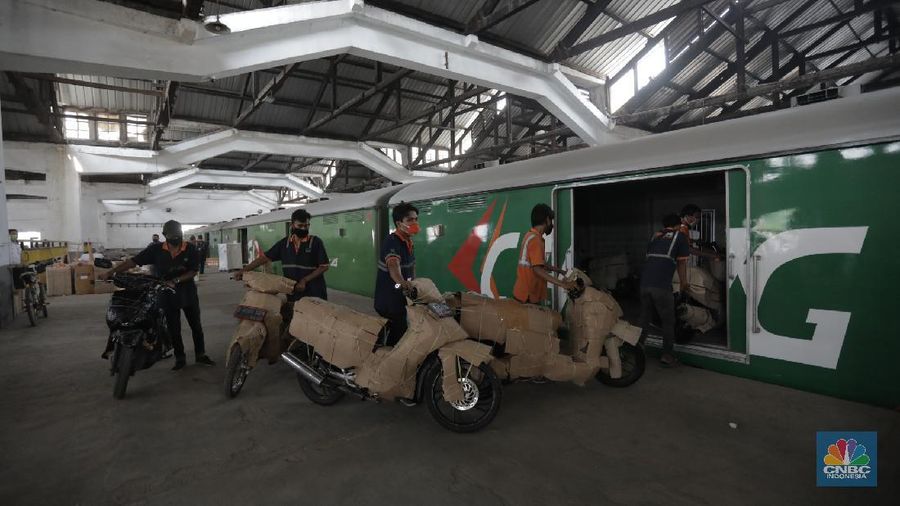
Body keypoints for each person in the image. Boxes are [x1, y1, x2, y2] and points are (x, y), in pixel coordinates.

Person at [100, 220, 215, 370]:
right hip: (165, 293)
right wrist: (111, 272)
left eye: (178, 235)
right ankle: (180, 358)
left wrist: (176, 280)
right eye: (172, 235)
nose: (176, 238)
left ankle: (201, 354)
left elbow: (193, 270)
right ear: (164, 235)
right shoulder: (156, 249)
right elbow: (133, 261)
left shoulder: (191, 249)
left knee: (196, 326)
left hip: (187, 293)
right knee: (174, 328)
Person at [234, 209, 330, 303]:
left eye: (306, 226)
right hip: (293, 293)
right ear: (292, 225)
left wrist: (304, 280)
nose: (303, 229)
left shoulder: (316, 242)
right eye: (300, 226)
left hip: (315, 292)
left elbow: (324, 267)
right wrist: (243, 270)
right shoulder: (284, 244)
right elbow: (264, 258)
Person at [639, 213, 690, 367]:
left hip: (644, 285)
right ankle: (667, 355)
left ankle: (637, 349)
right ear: (679, 224)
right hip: (661, 287)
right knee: (668, 321)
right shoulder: (680, 237)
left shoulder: (655, 237)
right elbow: (681, 264)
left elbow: (650, 259)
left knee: (644, 319)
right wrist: (683, 283)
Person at [512, 204, 576, 305]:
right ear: (547, 220)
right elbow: (537, 269)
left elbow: (540, 264)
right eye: (551, 221)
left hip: (524, 293)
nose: (552, 225)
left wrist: (561, 271)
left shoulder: (530, 235)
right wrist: (563, 284)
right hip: (528, 296)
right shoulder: (535, 239)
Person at [373, 202, 418, 346]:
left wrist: (414, 284)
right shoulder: (392, 242)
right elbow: (394, 266)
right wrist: (403, 284)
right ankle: (389, 362)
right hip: (389, 300)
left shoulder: (408, 242)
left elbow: (411, 267)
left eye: (416, 219)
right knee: (398, 335)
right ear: (399, 223)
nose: (414, 222)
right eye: (410, 220)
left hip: (399, 298)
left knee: (398, 332)